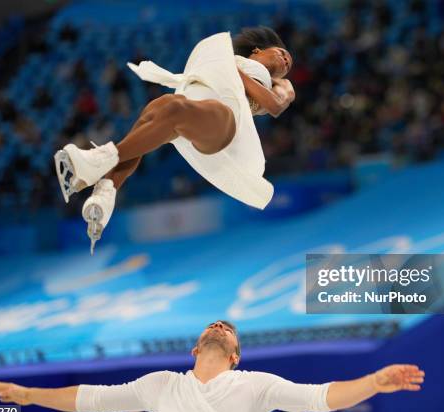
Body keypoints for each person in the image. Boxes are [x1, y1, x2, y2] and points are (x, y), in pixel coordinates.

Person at [54, 28, 295, 254]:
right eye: (282, 52)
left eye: (289, 63)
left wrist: (236, 73)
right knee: (160, 106)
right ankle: (105, 193)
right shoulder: (224, 59)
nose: (286, 60)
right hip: (192, 112)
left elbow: (275, 105)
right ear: (257, 50)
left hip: (224, 123)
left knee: (175, 107)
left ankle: (97, 161)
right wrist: (228, 67)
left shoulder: (279, 83)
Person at [0, 320, 425, 412]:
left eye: (229, 331)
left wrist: (373, 382)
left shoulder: (256, 385)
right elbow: (91, 398)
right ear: (196, 348)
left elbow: (320, 399)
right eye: (214, 326)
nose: (220, 327)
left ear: (236, 355)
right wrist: (29, 395)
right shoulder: (160, 386)